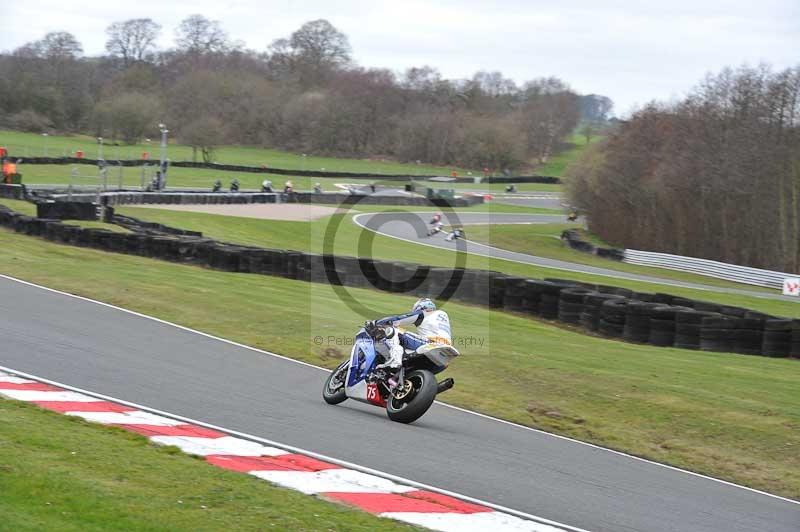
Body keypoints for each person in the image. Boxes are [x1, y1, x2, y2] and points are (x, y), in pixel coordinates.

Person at [367, 298, 452, 372]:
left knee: (394, 330)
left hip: (432, 344)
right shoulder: (442, 317)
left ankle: (395, 361)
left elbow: (399, 320)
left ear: (421, 307)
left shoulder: (424, 313)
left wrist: (377, 323)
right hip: (445, 358)